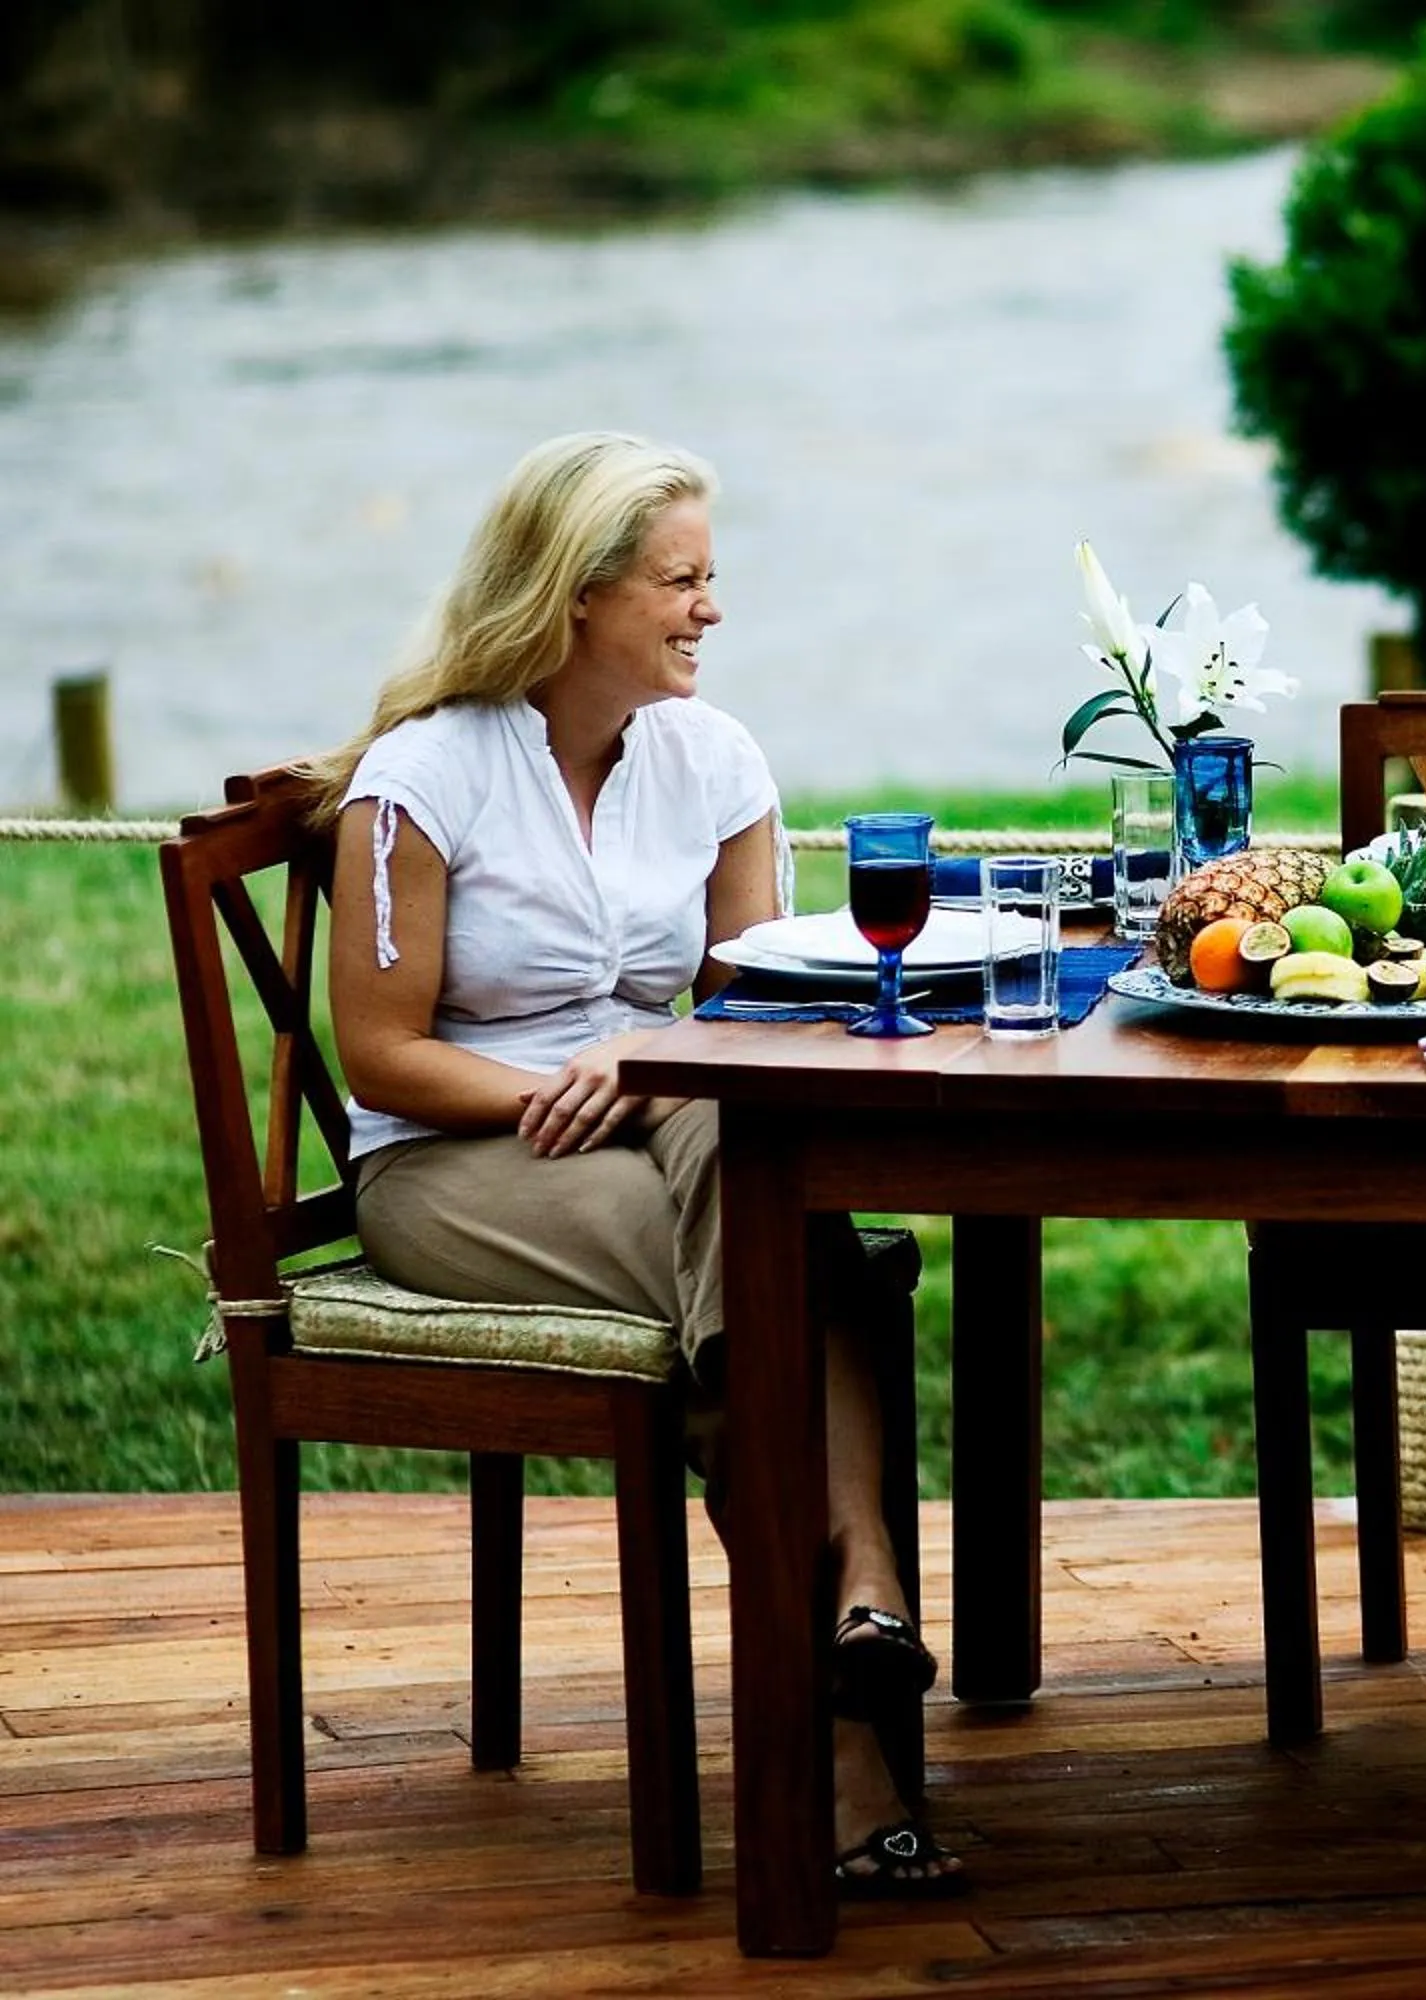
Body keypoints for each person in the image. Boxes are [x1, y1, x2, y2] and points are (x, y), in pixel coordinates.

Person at [308, 432, 962, 1897]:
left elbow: (755, 1002)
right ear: (576, 594)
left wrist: (652, 1062)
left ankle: (848, 1648)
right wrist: (574, 1081)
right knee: (806, 1269)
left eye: (707, 577)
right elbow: (381, 1054)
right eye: (680, 581)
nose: (710, 609)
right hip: (457, 1159)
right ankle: (855, 1665)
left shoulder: (712, 758)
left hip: (667, 1126)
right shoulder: (425, 777)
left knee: (756, 1178)